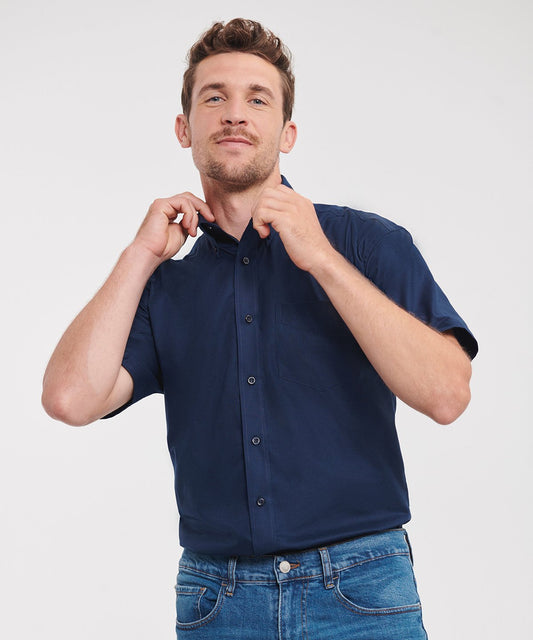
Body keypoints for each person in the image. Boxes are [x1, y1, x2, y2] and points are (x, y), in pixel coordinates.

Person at [42, 18, 477, 640]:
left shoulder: (367, 243)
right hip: (218, 599)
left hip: (360, 588)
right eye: (214, 97)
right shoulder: (164, 286)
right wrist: (138, 256)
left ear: (287, 132)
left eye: (257, 99)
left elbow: (447, 395)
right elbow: (69, 399)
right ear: (184, 128)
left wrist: (322, 259)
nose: (234, 114)